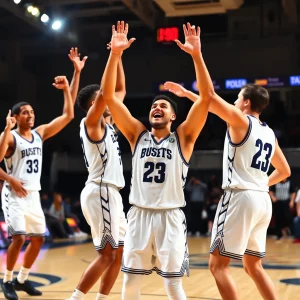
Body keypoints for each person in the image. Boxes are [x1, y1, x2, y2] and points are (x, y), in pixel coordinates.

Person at [164, 51, 290, 300]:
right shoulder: (269, 133)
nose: (233, 103)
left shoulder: (241, 121)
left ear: (245, 103)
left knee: (217, 266)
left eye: (236, 100)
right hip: (262, 200)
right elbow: (284, 171)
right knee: (253, 266)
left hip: (239, 198)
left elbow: (210, 97)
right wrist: (260, 183)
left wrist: (197, 54)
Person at [101, 21, 211, 300]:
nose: (156, 108)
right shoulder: (137, 135)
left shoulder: (183, 138)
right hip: (138, 214)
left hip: (170, 217)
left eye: (163, 106)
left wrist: (196, 56)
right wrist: (115, 54)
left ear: (174, 116)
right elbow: (109, 98)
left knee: (173, 286)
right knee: (130, 284)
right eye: (153, 106)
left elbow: (207, 99)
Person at [0, 69, 78, 300]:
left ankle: (23, 279)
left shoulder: (39, 133)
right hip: (13, 194)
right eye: (25, 113)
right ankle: (7, 281)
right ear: (15, 117)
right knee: (20, 238)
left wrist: (67, 89)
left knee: (39, 239)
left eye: (32, 112)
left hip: (33, 194)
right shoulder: (11, 137)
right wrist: (10, 178)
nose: (30, 115)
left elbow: (68, 116)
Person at [67, 48, 127, 300]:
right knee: (107, 254)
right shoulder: (90, 123)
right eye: (104, 98)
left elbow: (120, 89)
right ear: (94, 105)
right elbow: (108, 91)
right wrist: (113, 54)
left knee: (119, 253)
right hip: (100, 190)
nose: (112, 99)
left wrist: (121, 55)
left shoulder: (109, 124)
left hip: (111, 193)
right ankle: (76, 298)